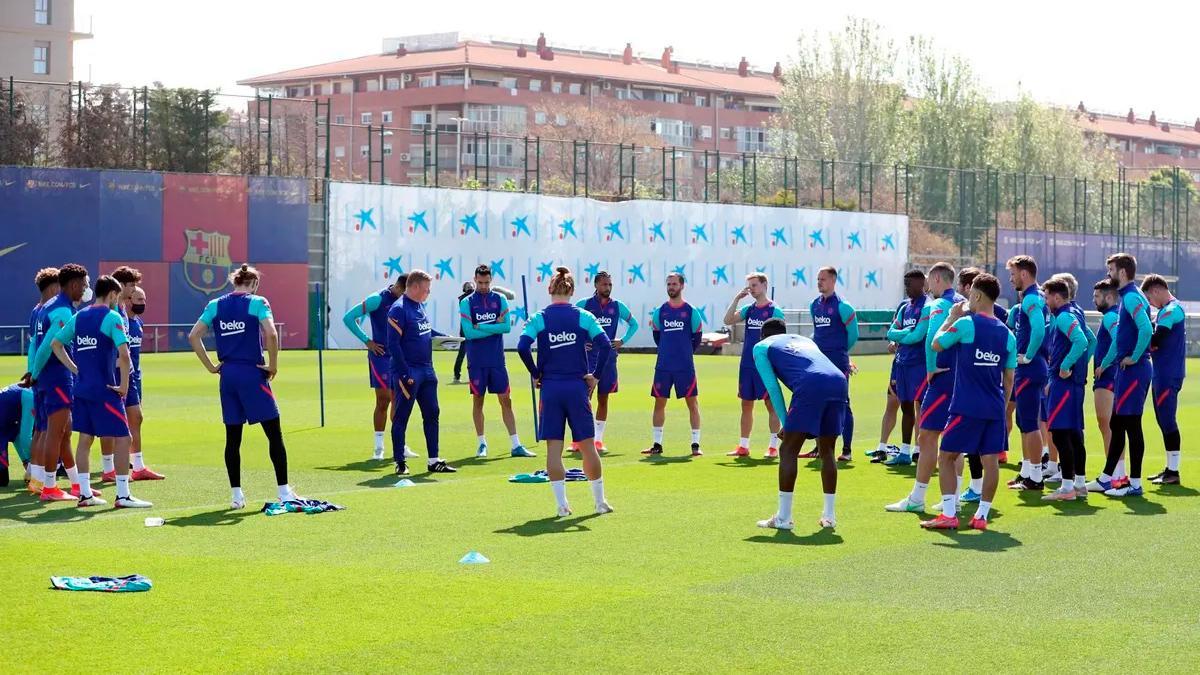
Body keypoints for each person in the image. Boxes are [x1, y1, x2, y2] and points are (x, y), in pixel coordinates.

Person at [188, 264, 299, 509]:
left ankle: (236, 496)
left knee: (233, 438)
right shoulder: (258, 302)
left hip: (228, 375)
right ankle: (284, 491)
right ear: (254, 284)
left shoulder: (215, 305)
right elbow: (271, 334)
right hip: (252, 373)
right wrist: (273, 364)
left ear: (234, 282)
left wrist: (210, 366)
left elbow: (193, 335)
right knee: (274, 434)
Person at [920, 273, 1016, 530]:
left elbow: (937, 344)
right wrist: (1003, 406)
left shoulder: (966, 324)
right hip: (994, 407)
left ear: (976, 295)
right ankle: (981, 516)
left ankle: (949, 514)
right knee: (990, 461)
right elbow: (1009, 379)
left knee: (947, 457)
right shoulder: (1008, 335)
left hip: (966, 406)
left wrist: (952, 316)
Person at [45, 275, 150, 508]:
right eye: (117, 297)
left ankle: (85, 494)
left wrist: (75, 369)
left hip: (81, 389)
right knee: (124, 438)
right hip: (105, 389)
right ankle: (122, 495)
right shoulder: (112, 317)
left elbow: (55, 344)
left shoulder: (79, 316)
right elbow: (124, 354)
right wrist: (123, 386)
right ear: (113, 295)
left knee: (85, 439)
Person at [517, 267, 614, 516]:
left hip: (550, 388)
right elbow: (605, 345)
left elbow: (522, 346)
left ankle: (562, 506)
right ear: (571, 291)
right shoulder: (583, 316)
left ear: (550, 289)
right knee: (588, 446)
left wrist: (535, 372)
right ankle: (599, 502)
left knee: (553, 449)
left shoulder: (539, 317)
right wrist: (596, 376)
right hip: (576, 387)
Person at [885, 263, 966, 512]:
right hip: (961, 380)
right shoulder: (964, 302)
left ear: (937, 278)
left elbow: (932, 338)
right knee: (955, 441)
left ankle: (917, 498)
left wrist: (931, 368)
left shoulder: (938, 305)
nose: (928, 285)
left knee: (928, 436)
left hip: (941, 379)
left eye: (930, 280)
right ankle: (955, 496)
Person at [752, 319, 847, 530]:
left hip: (811, 383)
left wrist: (786, 425)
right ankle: (829, 517)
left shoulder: (761, 347)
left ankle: (784, 518)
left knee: (788, 450)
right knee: (828, 450)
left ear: (762, 336)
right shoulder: (803, 340)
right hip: (839, 380)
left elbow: (773, 390)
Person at [1088, 253, 1155, 497]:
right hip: (1125, 370)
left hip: (1135, 369)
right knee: (1117, 423)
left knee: (1131, 425)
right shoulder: (1128, 297)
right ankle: (1107, 478)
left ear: (1123, 272)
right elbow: (1120, 339)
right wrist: (1107, 363)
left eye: (1111, 270)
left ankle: (1134, 484)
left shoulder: (1131, 298)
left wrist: (1136, 356)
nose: (1109, 275)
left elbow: (1146, 329)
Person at [387, 269, 459, 475]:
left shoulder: (419, 306)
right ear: (415, 287)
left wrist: (447, 338)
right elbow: (393, 344)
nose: (429, 293)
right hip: (409, 371)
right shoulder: (398, 309)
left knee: (433, 413)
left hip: (427, 369)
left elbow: (426, 330)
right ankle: (400, 462)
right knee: (402, 416)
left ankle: (434, 460)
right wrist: (404, 373)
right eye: (427, 289)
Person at [27, 264, 89, 502]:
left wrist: (33, 372)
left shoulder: (46, 307)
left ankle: (74, 484)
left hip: (46, 377)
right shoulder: (63, 311)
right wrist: (35, 372)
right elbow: (47, 346)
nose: (85, 290)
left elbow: (35, 345)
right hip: (57, 376)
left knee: (61, 431)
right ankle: (50, 488)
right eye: (83, 286)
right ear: (73, 285)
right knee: (56, 432)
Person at [342, 274, 419, 461]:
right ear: (401, 287)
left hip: (400, 356)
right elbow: (349, 318)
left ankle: (400, 445)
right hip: (380, 356)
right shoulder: (377, 299)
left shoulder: (408, 302)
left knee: (399, 400)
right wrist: (367, 341)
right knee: (383, 400)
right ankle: (378, 447)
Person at [459, 264, 532, 459]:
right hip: (476, 361)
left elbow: (506, 328)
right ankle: (482, 443)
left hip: (497, 361)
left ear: (491, 280)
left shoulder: (499, 299)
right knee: (478, 401)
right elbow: (469, 333)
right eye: (480, 282)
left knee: (506, 401)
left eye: (487, 282)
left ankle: (516, 445)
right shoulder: (466, 302)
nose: (483, 286)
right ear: (475, 279)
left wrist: (480, 325)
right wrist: (494, 325)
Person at [108, 268, 164, 481]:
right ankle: (108, 468)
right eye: (131, 286)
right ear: (120, 286)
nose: (133, 290)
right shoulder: (111, 308)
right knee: (111, 422)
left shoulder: (123, 310)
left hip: (129, 373)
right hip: (113, 373)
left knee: (136, 417)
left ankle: (138, 466)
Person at [1040, 278, 1092, 501]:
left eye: (1047, 296)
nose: (1045, 301)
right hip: (1073, 384)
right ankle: (1079, 485)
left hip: (1065, 385)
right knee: (1073, 435)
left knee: (1061, 434)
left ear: (1057, 297)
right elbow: (1092, 339)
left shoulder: (1064, 316)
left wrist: (1065, 366)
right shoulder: (1075, 312)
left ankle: (1067, 487)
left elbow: (1081, 341)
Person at [722, 273, 785, 458]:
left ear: (765, 285)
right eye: (749, 286)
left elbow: (781, 340)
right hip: (748, 365)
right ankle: (743, 446)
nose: (751, 289)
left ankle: (773, 446)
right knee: (746, 405)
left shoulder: (775, 311)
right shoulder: (749, 309)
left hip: (765, 365)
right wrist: (736, 299)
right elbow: (727, 320)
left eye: (754, 285)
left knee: (771, 405)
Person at [575, 270, 638, 452]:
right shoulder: (583, 305)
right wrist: (580, 342)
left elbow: (634, 324)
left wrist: (622, 340)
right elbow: (571, 324)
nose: (607, 287)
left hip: (608, 359)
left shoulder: (617, 306)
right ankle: (578, 440)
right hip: (587, 358)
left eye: (610, 284)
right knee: (584, 399)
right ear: (595, 285)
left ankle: (597, 440)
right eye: (604, 284)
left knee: (604, 399)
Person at [643, 272, 703, 457]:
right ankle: (657, 444)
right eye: (669, 284)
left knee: (692, 404)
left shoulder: (691, 311)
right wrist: (668, 351)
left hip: (685, 366)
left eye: (674, 284)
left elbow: (697, 337)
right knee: (659, 403)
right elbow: (657, 335)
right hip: (663, 366)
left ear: (682, 286)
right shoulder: (660, 311)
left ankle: (695, 445)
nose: (671, 287)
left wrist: (683, 352)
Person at [1005, 255, 1050, 491]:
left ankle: (1035, 477)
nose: (1011, 279)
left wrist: (1029, 355)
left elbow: (1040, 331)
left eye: (1012, 274)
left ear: (1024, 274)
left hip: (1031, 368)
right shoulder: (1036, 297)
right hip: (1032, 367)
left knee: (1030, 423)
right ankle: (1026, 472)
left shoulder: (1032, 298)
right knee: (1024, 422)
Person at [880, 269, 930, 467]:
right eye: (905, 284)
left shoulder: (927, 306)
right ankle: (905, 451)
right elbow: (891, 332)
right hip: (902, 364)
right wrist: (903, 333)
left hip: (919, 365)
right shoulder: (905, 307)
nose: (907, 288)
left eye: (910, 284)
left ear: (921, 283)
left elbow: (918, 336)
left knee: (921, 407)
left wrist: (903, 335)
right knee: (906, 406)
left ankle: (920, 450)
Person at [809, 266, 859, 462]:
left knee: (843, 404)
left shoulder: (843, 306)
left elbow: (853, 335)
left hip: (837, 363)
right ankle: (819, 447)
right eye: (818, 279)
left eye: (823, 279)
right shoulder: (814, 305)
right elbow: (817, 333)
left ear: (833, 281)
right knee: (819, 403)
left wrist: (842, 355)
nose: (819, 282)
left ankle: (846, 449)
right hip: (817, 363)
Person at [1142, 274, 1186, 486]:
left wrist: (1150, 341)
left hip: (1168, 373)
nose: (1149, 302)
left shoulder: (1171, 310)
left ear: (1156, 291)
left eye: (1149, 297)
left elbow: (1156, 338)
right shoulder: (1166, 311)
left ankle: (1174, 472)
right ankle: (1170, 469)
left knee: (1167, 420)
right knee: (1163, 420)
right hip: (1162, 372)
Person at [22, 267, 58, 491]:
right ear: (54, 287)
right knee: (47, 428)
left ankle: (34, 474)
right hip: (45, 373)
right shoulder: (48, 311)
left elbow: (34, 343)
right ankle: (41, 477)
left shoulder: (36, 311)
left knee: (40, 428)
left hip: (36, 371)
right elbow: (43, 345)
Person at [1091, 278, 1126, 487]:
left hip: (1107, 377)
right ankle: (1117, 474)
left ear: (1109, 297)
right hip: (1112, 376)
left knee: (1107, 425)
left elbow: (1117, 339)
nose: (1094, 300)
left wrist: (1104, 364)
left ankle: (1112, 475)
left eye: (1097, 296)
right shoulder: (1114, 315)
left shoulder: (1111, 316)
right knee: (1111, 426)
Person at [0, 382, 35, 487]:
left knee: (2, 480)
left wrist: (28, 460)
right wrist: (32, 461)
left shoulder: (29, 393)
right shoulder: (31, 396)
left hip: (4, 424)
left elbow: (19, 436)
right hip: (4, 424)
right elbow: (22, 436)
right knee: (2, 480)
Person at [452, 282, 474, 385]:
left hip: (475, 331)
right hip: (465, 331)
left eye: (471, 286)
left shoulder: (475, 297)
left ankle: (474, 376)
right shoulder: (463, 299)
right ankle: (456, 375)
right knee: (462, 354)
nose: (470, 288)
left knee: (475, 355)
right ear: (464, 289)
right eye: (468, 287)